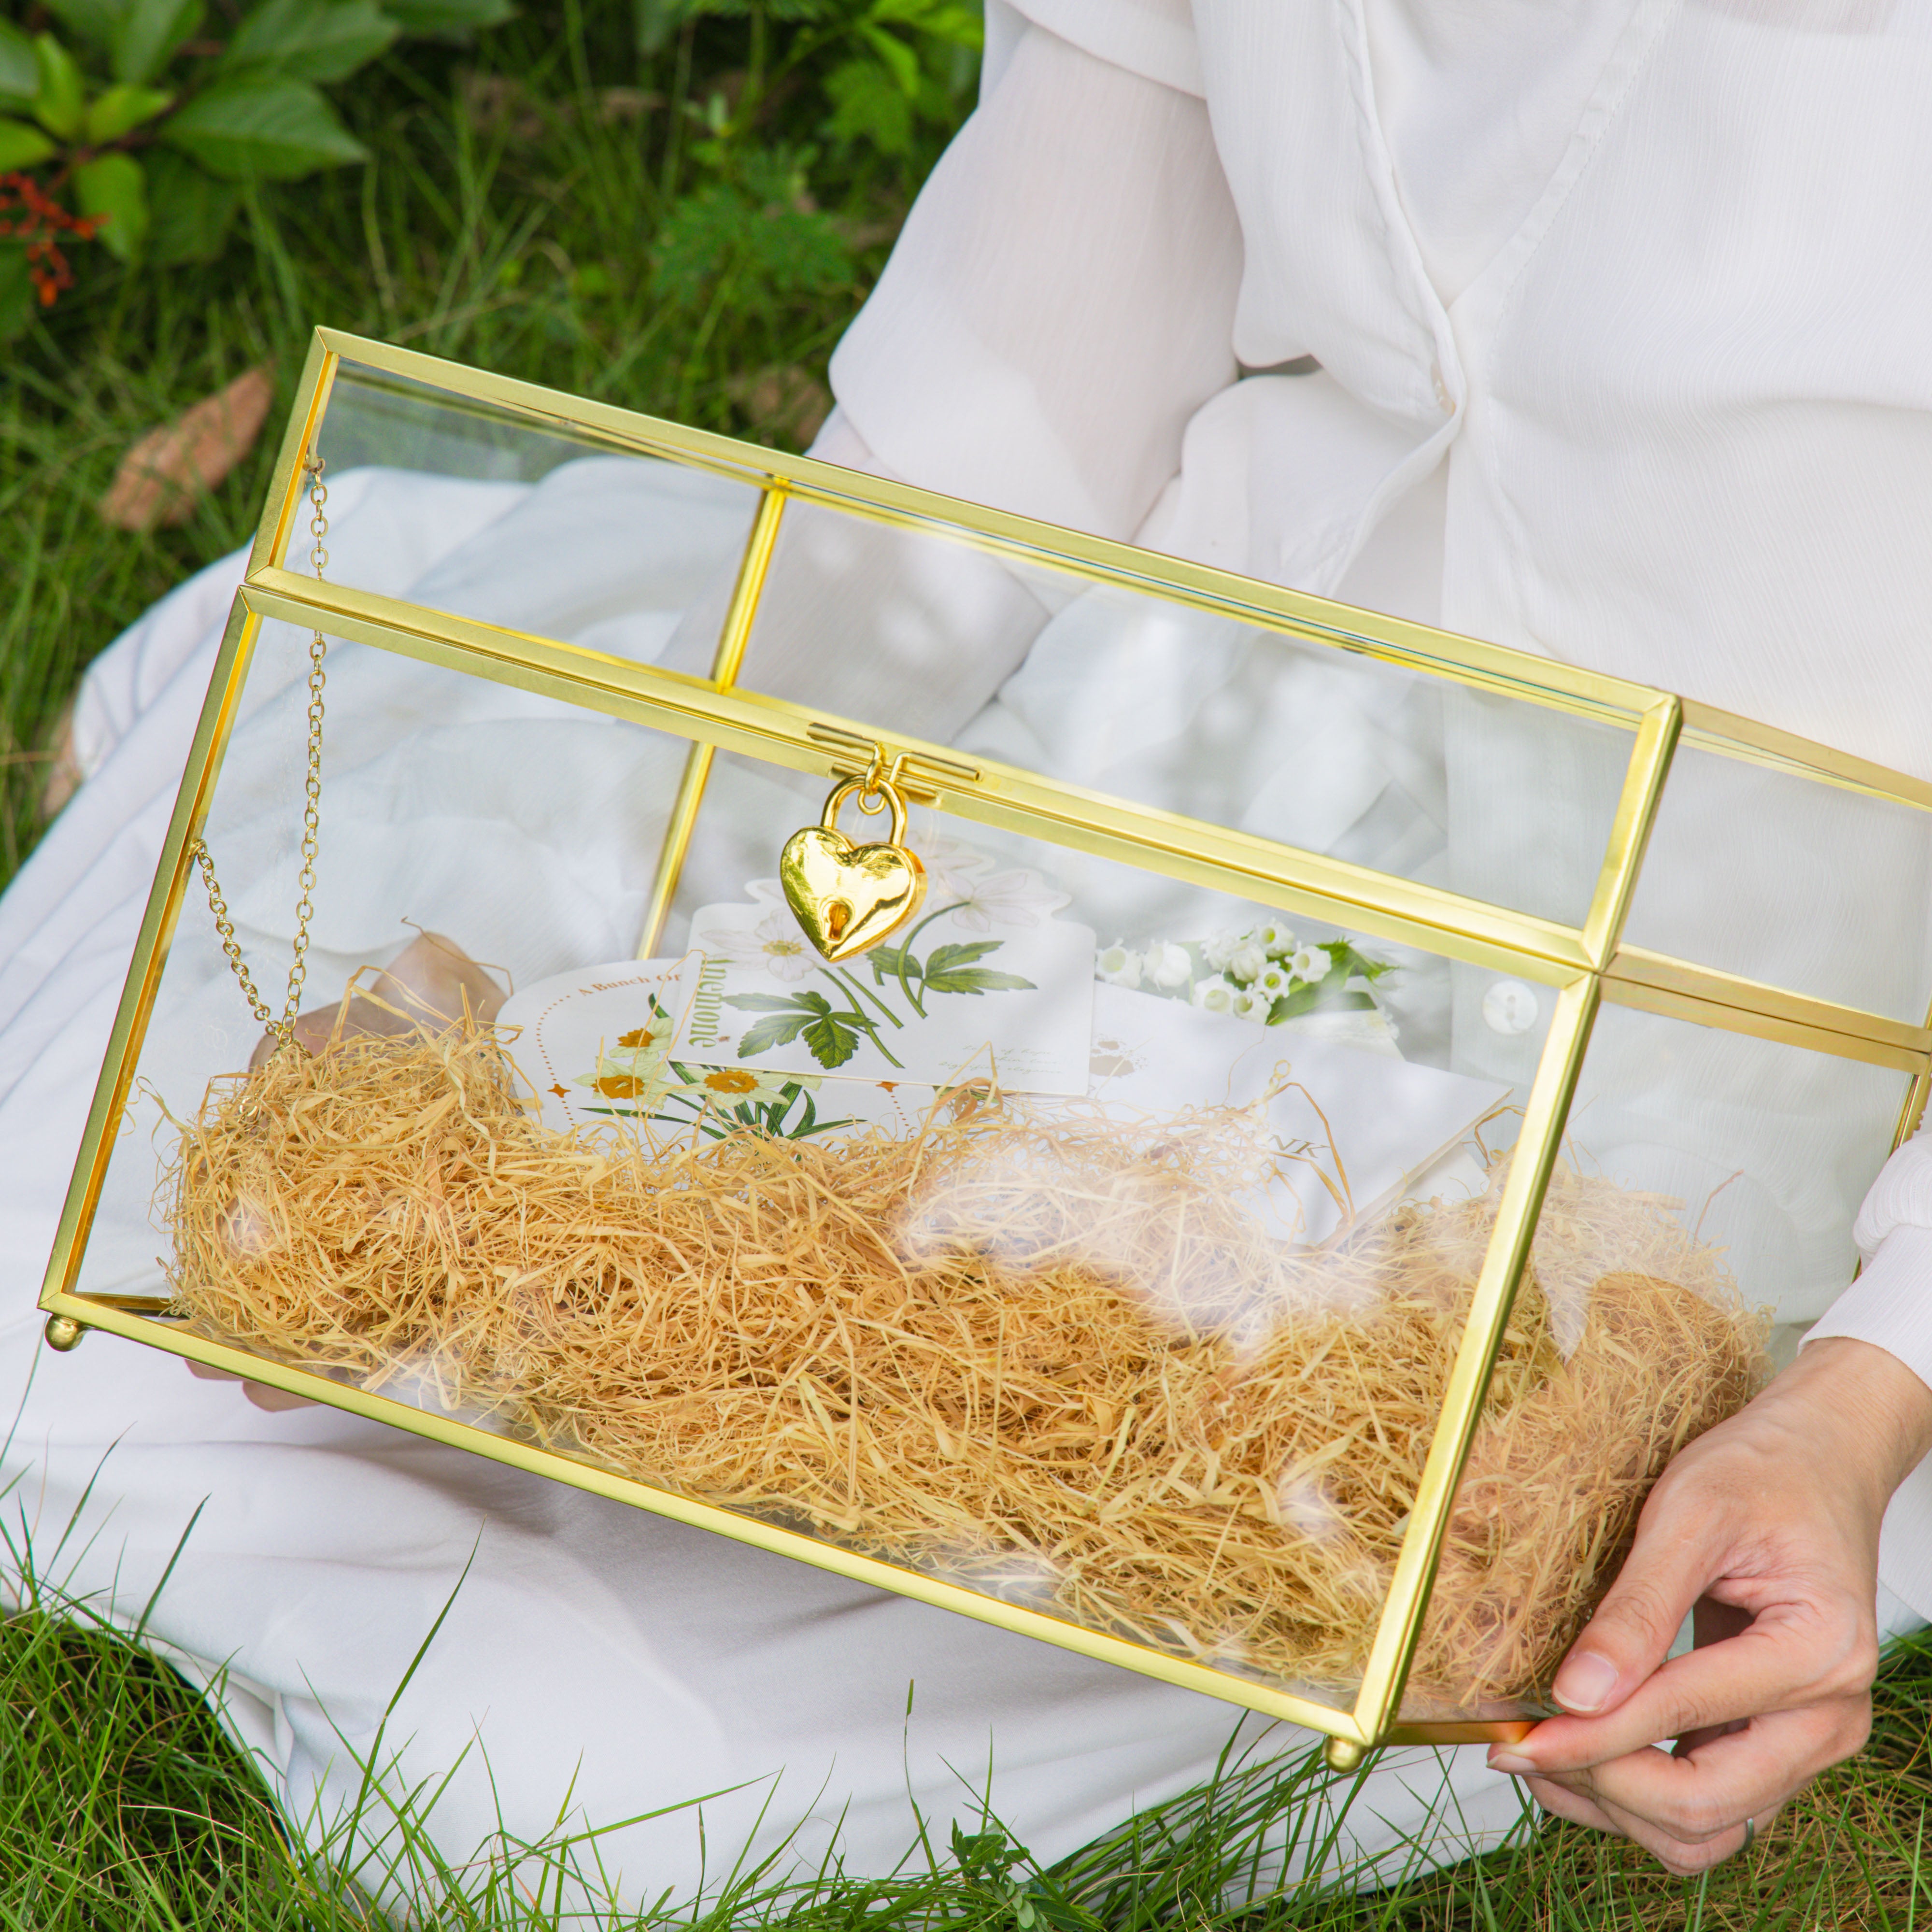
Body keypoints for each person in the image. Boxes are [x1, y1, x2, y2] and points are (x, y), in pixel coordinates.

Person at [7, 0, 1932, 1901]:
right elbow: (1024, 398)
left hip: (1744, 1074)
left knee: (596, 1790)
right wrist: (531, 966)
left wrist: (1850, 1413)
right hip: (1172, 766)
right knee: (61, 1311)